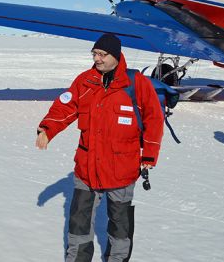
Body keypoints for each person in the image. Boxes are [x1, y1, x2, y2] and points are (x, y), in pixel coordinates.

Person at [35, 33, 164, 262]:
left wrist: (149, 156)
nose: (97, 59)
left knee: (120, 223)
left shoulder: (136, 83)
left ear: (115, 55)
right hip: (87, 166)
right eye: (94, 54)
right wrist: (47, 129)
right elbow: (64, 107)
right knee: (78, 222)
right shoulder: (85, 81)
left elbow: (154, 119)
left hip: (122, 167)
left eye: (102, 54)